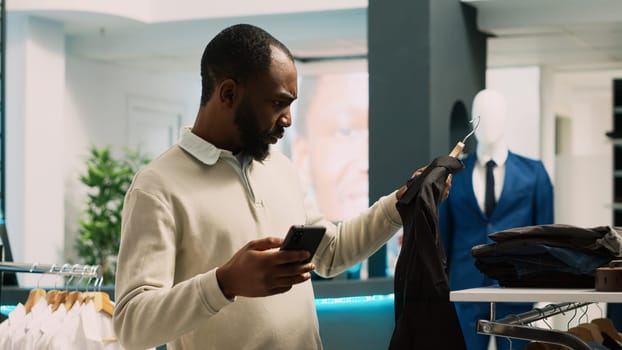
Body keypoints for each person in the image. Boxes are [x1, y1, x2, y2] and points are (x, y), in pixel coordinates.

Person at [112, 24, 438, 350]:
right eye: (278, 103)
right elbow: (131, 326)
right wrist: (224, 283)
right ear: (228, 94)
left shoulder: (280, 168)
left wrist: (400, 204)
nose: (288, 120)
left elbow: (331, 252)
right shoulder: (158, 187)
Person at [439, 89, 554, 350]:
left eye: (492, 115)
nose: (485, 123)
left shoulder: (533, 174)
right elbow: (443, 236)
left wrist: (543, 286)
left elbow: (545, 237)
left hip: (515, 288)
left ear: (505, 119)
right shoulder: (453, 176)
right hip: (465, 290)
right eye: (478, 116)